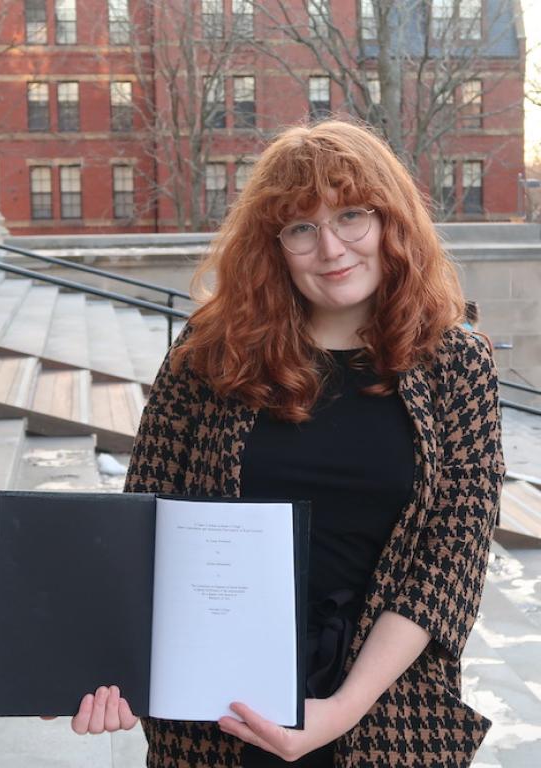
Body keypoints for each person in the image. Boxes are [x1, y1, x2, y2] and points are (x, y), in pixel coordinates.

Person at [65, 121, 505, 767]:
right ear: (274, 246)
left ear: (390, 221)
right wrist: (88, 667)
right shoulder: (206, 362)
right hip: (216, 713)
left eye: (351, 216)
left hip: (386, 710)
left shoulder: (457, 365)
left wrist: (338, 711)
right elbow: (143, 532)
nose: (331, 248)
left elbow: (450, 563)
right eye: (302, 228)